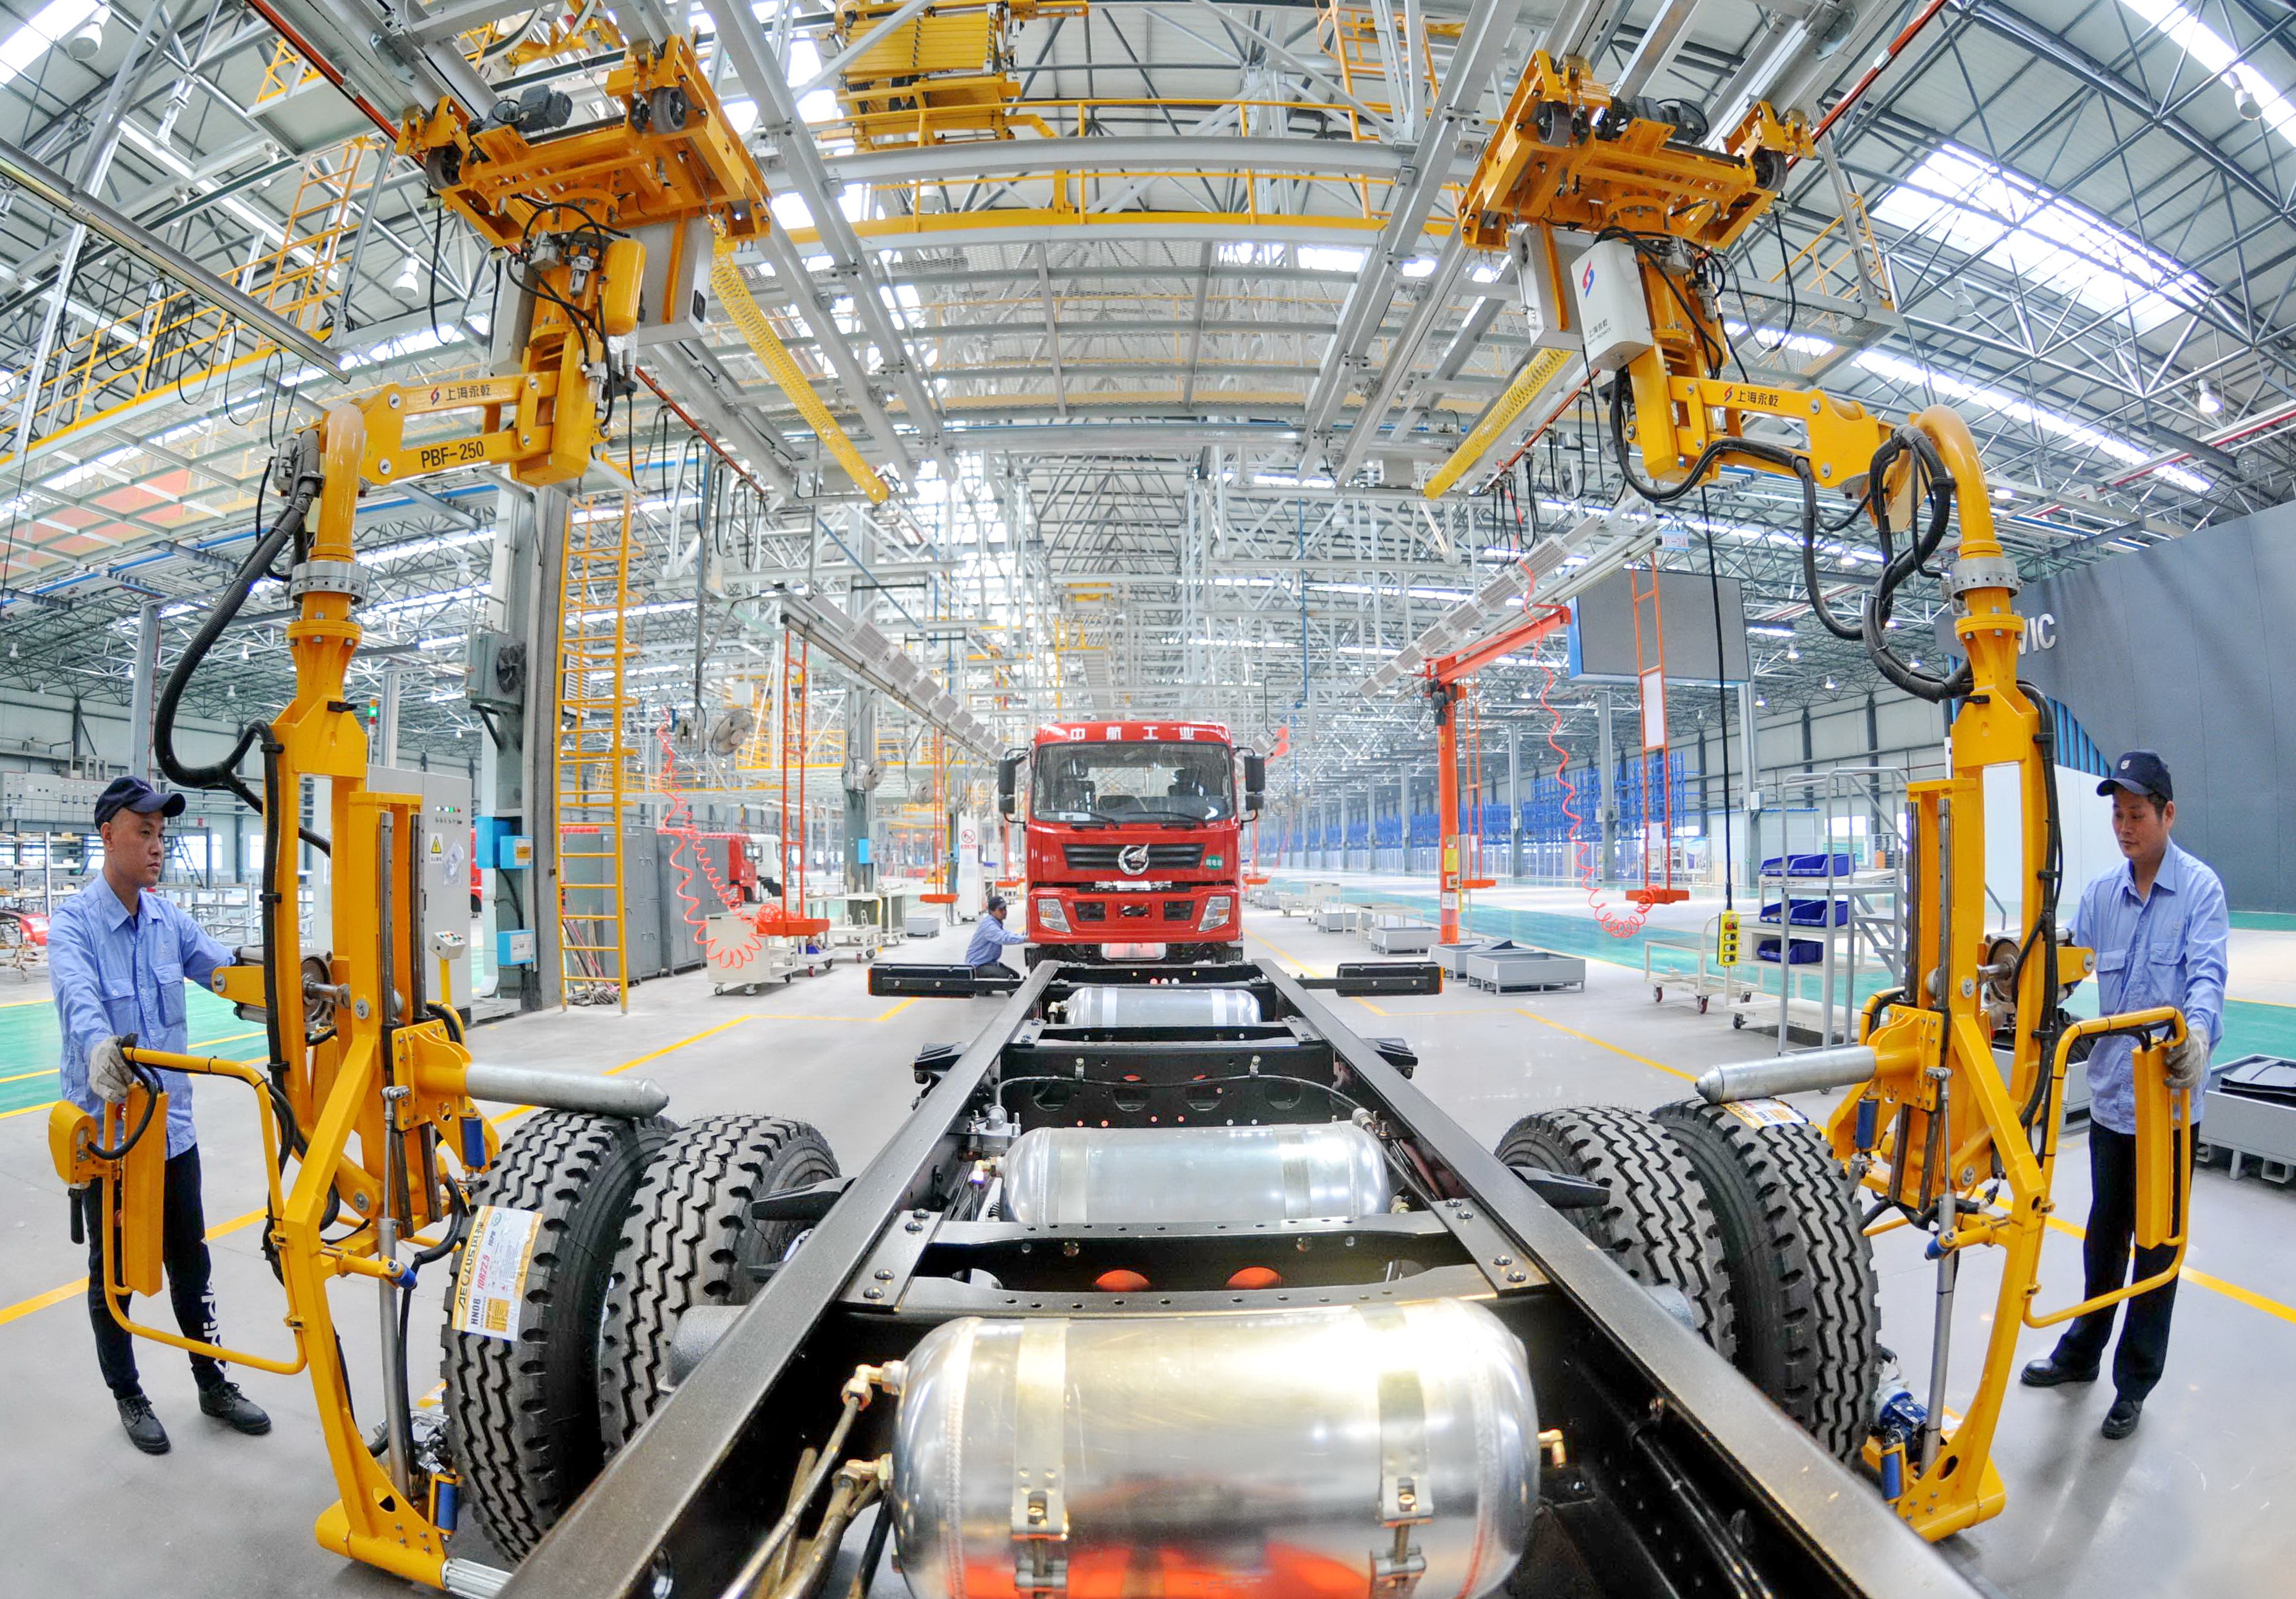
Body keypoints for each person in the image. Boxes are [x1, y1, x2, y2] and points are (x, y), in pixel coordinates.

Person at [50, 776, 272, 1455]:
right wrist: (100, 1047)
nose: (156, 846)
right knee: (113, 1274)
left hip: (173, 1134)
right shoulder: (74, 924)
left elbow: (226, 972)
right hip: (111, 1140)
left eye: (161, 834)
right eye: (143, 832)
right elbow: (79, 998)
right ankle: (129, 1393)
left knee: (191, 1263)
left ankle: (213, 1381)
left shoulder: (168, 921)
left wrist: (298, 984)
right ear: (108, 835)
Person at [2020, 750, 2225, 1440]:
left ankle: (2134, 1381)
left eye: (2136, 814)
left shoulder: (2199, 891)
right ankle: (2081, 1352)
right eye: (2117, 815)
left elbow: (2207, 976)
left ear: (2168, 814)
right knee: (2103, 1236)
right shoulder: (2102, 894)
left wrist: (2198, 1035)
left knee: (2156, 1247)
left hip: (2168, 1108)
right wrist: (2019, 980)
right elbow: (2069, 966)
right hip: (2112, 1101)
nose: (2124, 826)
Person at [965, 894, 1029, 975]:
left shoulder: (996, 922)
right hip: (978, 966)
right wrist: (1025, 939)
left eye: (1005, 909)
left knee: (1015, 976)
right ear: (992, 912)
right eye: (1000, 910)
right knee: (1007, 977)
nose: (1004, 912)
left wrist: (1023, 936)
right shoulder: (989, 925)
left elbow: (1006, 934)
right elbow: (1003, 938)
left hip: (990, 963)